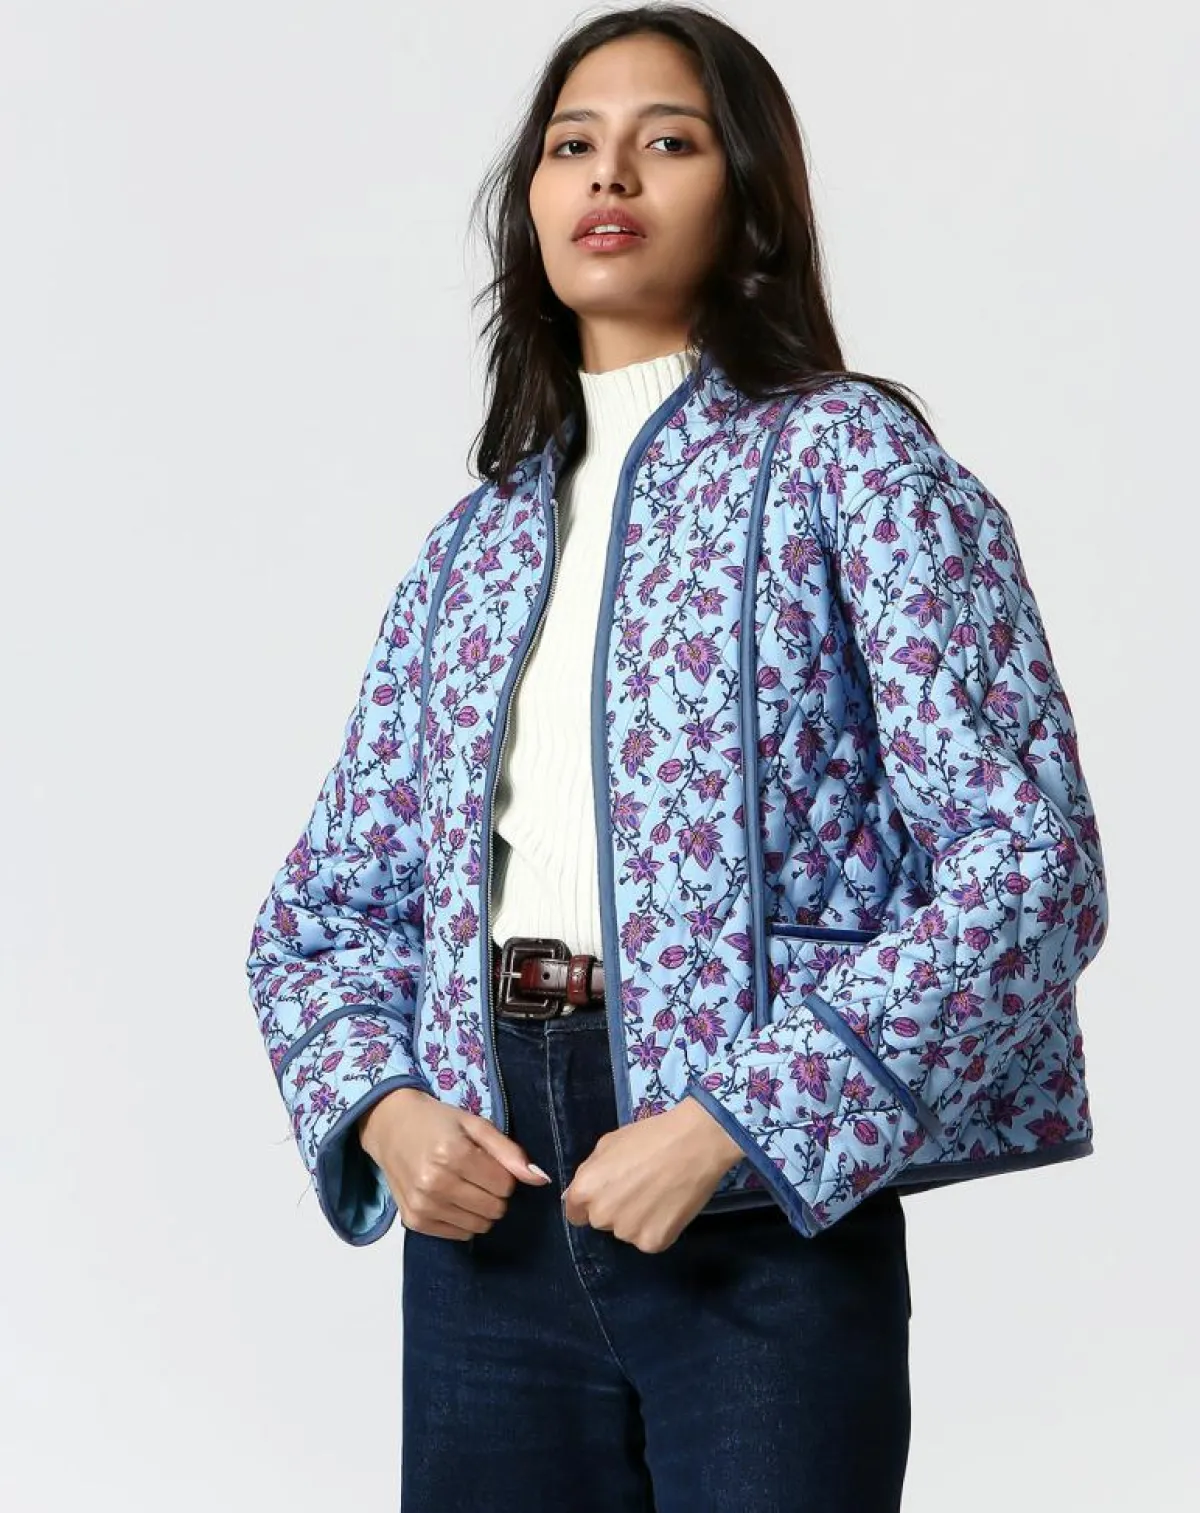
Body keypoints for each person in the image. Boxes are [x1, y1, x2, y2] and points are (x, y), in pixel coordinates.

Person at [244, 7, 1109, 1509]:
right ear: (530, 202)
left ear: (749, 195)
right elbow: (323, 914)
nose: (612, 173)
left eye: (670, 140)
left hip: (759, 1222)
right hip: (486, 1219)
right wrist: (387, 1108)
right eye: (572, 143)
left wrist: (737, 1122)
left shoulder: (854, 465)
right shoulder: (470, 549)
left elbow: (1030, 864)